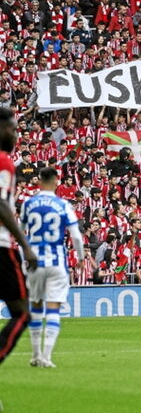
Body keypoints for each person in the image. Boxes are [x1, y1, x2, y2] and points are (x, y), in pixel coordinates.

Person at [20, 167, 85, 368]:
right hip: (56, 262)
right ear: (56, 181)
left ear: (39, 181)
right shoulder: (62, 204)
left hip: (34, 262)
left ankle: (36, 355)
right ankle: (47, 357)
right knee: (54, 307)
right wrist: (81, 258)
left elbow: (21, 232)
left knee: (36, 305)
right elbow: (75, 236)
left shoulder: (28, 203)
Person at [0, 108, 38, 369]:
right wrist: (25, 245)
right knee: (22, 312)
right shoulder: (3, 161)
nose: (16, 135)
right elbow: (1, 204)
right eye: (13, 129)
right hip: (1, 248)